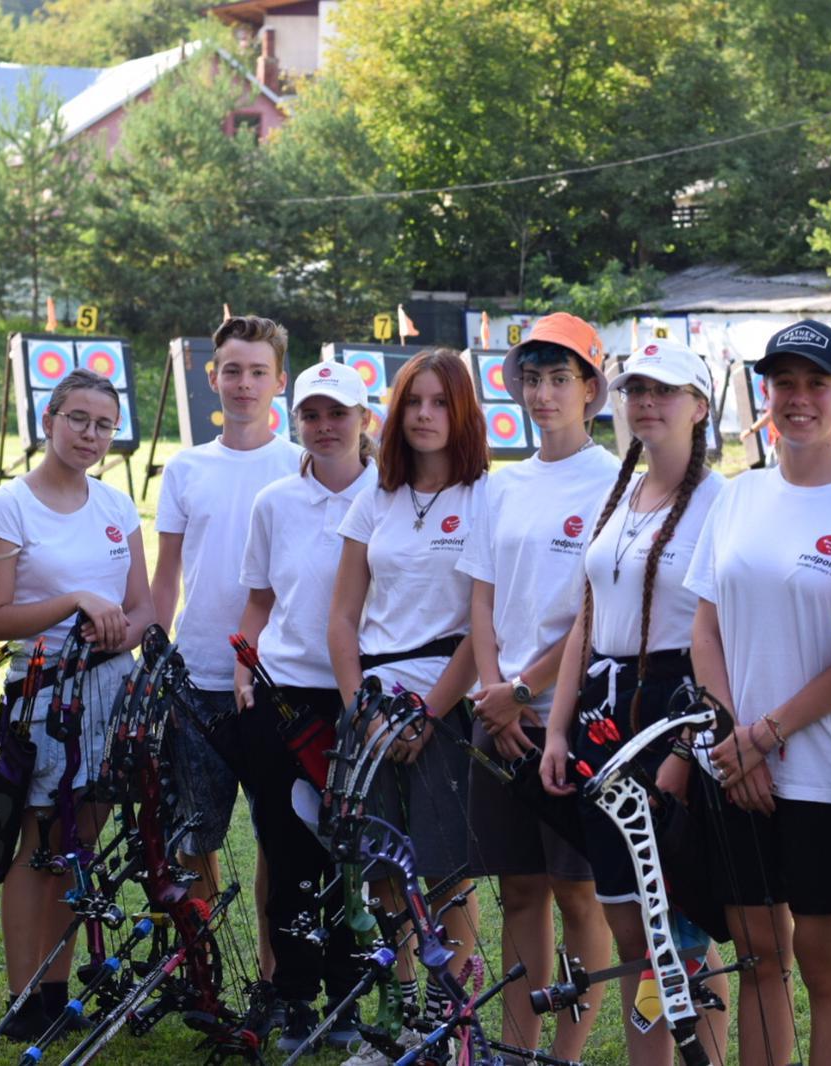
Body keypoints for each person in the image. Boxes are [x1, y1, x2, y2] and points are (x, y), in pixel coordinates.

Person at [688, 320, 831, 1066]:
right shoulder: (738, 496)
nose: (798, 398)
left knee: (825, 960)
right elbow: (705, 629)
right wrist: (731, 739)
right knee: (757, 956)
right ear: (764, 396)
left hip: (828, 771)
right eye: (784, 383)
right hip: (735, 765)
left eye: (816, 383)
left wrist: (764, 736)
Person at [541, 339, 728, 1066]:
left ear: (700, 406)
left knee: (680, 926)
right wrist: (558, 730)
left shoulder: (721, 500)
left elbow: (720, 634)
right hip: (602, 718)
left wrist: (686, 748)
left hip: (673, 711)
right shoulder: (619, 493)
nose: (647, 403)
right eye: (636, 390)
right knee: (629, 928)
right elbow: (585, 621)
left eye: (665, 391)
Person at [0, 367, 155, 1041]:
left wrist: (114, 632)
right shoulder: (10, 507)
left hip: (113, 689)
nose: (90, 434)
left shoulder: (116, 506)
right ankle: (22, 998)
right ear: (48, 420)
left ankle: (55, 990)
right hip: (45, 694)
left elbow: (144, 609)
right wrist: (77, 602)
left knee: (80, 844)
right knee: (39, 843)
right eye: (77, 419)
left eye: (104, 425)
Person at [455, 313, 619, 1059]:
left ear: (590, 389)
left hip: (571, 716)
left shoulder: (616, 481)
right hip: (499, 716)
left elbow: (598, 609)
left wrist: (523, 691)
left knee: (579, 892)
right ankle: (517, 1047)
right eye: (532, 379)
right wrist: (494, 692)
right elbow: (482, 597)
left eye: (560, 379)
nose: (543, 394)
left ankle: (566, 1051)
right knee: (519, 889)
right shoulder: (502, 484)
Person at [327, 348, 488, 1040]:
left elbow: (483, 625)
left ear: (463, 411)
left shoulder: (485, 496)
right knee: (383, 873)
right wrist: (358, 710)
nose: (424, 415)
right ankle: (399, 1013)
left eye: (440, 402)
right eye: (413, 401)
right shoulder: (376, 496)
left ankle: (450, 1017)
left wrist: (431, 713)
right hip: (373, 711)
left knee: (446, 875)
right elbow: (342, 617)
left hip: (443, 710)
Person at [151, 314, 300, 986]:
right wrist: (156, 654)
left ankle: (273, 978)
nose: (244, 384)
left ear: (280, 381)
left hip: (278, 681)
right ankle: (205, 975)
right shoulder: (186, 467)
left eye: (258, 371)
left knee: (279, 839)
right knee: (196, 837)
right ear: (211, 378)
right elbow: (166, 574)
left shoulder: (300, 463)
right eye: (232, 371)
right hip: (198, 679)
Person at [237, 360, 376, 1052]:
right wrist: (245, 666)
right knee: (288, 856)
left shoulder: (392, 496)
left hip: (362, 701)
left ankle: (348, 1000)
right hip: (285, 700)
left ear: (364, 419)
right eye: (311, 415)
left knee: (354, 861)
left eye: (338, 414)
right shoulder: (275, 502)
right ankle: (295, 998)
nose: (325, 427)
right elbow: (259, 602)